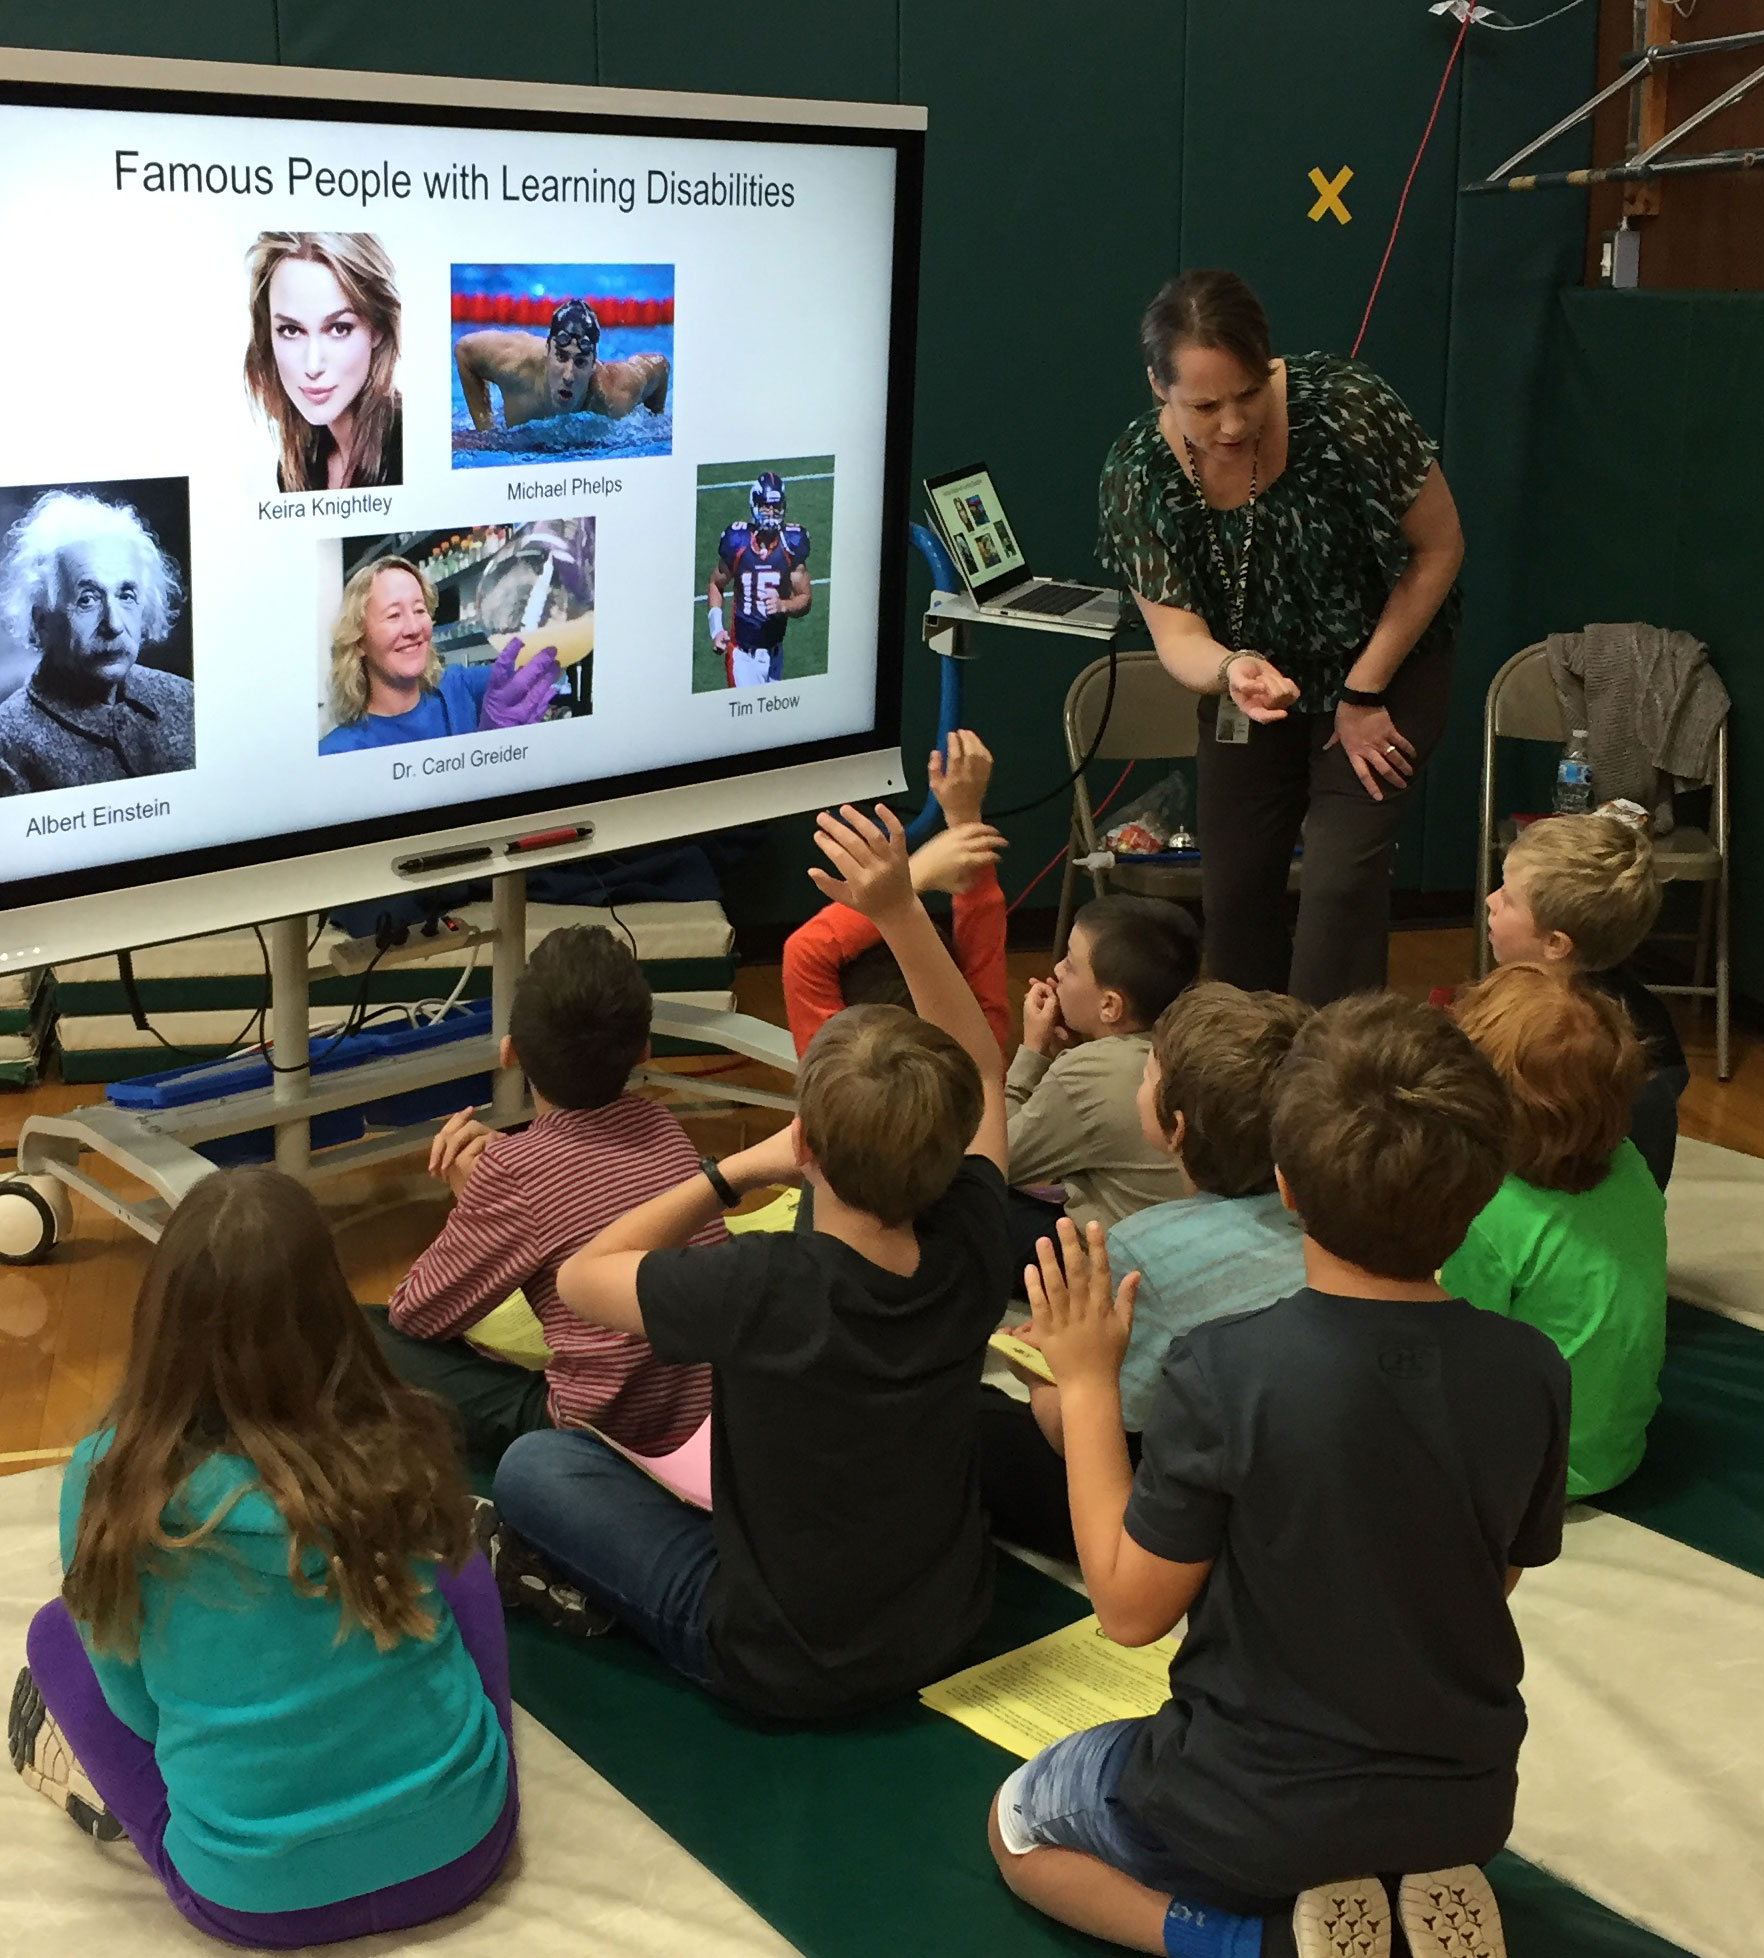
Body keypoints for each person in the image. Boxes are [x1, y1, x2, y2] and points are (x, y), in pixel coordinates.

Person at [990, 994, 1568, 1958]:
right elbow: (1495, 1575)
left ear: (1287, 1185)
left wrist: (1086, 1383)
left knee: (1018, 1823)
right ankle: (1401, 1883)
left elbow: (1130, 1614)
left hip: (1249, 1816)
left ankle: (1248, 1944)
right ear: (1484, 1187)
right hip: (1466, 1806)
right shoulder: (1530, 1368)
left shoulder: (1225, 1372)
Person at [488, 801, 1013, 1721]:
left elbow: (579, 1277)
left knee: (536, 1467)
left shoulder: (760, 1284)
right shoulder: (975, 1234)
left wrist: (731, 1171)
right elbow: (982, 1063)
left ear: (804, 1145)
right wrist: (898, 912)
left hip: (777, 1661)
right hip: (945, 1626)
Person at [8, 1168, 515, 1947]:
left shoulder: (108, 1474)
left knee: (55, 1634)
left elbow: (137, 1709)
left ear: (159, 1316)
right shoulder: (398, 1438)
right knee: (462, 1562)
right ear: (333, 1310)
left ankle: (145, 1811)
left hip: (252, 1901)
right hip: (461, 1852)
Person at [1099, 268, 1464, 1006]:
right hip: (1254, 688)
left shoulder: (1348, 408)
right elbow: (1178, 635)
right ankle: (1241, 1089)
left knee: (1337, 888)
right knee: (1234, 899)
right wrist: (1234, 669)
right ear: (1157, 388)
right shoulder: (1137, 472)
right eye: (1204, 406)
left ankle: (1333, 1094)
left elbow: (1441, 548)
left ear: (1270, 365)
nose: (1232, 425)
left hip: (1384, 671)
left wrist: (1364, 689)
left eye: (1249, 395)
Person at [979, 983, 1310, 1561]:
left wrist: (1036, 1378)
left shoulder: (1140, 1255)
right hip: (1278, 1496)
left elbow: (1084, 1438)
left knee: (966, 1422)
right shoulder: (1328, 1230)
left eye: (1147, 1073)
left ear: (1175, 1127)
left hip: (1158, 1515)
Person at [371, 924, 717, 1475]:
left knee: (364, 1333)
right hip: (706, 1419)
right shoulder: (664, 1124)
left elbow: (416, 1316)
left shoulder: (513, 1174)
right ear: (644, 1051)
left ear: (509, 1053)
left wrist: (472, 1200)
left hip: (598, 1438)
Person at [1445, 962, 1667, 1500]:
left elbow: (1448, 1349)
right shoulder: (1630, 1166)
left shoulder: (1488, 1215)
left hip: (1533, 1472)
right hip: (1617, 1446)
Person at [1485, 811, 1685, 1189]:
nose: (1490, 900)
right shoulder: (1652, 1023)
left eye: (1507, 900)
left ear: (1555, 944)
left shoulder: (1548, 1036)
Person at [782, 729, 1010, 1058]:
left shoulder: (831, 1094)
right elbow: (980, 998)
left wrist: (912, 880)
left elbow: (804, 953)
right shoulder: (978, 1072)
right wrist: (964, 820)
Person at [1007, 895, 1200, 1270]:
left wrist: (1031, 1051)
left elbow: (995, 1161)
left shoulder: (1087, 1073)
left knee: (963, 1202)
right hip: (1181, 1246)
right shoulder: (1187, 1044)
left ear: (1110, 1006)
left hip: (1117, 1265)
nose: (1058, 970)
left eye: (1071, 964)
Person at [0, 490, 193, 796]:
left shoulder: (185, 697)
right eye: (87, 599)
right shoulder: (7, 743)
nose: (114, 625)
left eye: (126, 595)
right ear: (42, 621)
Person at [318, 554, 558, 755]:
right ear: (358, 640)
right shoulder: (337, 752)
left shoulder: (459, 687)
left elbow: (546, 662)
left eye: (419, 610)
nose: (413, 628)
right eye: (393, 615)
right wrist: (487, 751)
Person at [244, 232, 403, 492]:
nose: (313, 366)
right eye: (291, 330)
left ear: (378, 329)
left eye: (339, 328)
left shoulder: (409, 449)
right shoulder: (298, 466)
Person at [455, 299, 670, 433]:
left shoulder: (614, 393)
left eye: (580, 362)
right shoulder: (515, 364)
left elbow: (660, 366)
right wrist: (485, 429)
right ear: (548, 351)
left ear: (593, 364)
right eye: (561, 357)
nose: (569, 375)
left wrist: (653, 422)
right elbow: (464, 351)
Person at [707, 472, 812, 687]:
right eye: (765, 506)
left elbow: (805, 598)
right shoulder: (737, 542)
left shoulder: (790, 544)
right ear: (754, 505)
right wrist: (715, 629)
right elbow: (715, 585)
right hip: (743, 657)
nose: (771, 513)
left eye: (776, 507)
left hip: (775, 654)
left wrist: (784, 605)